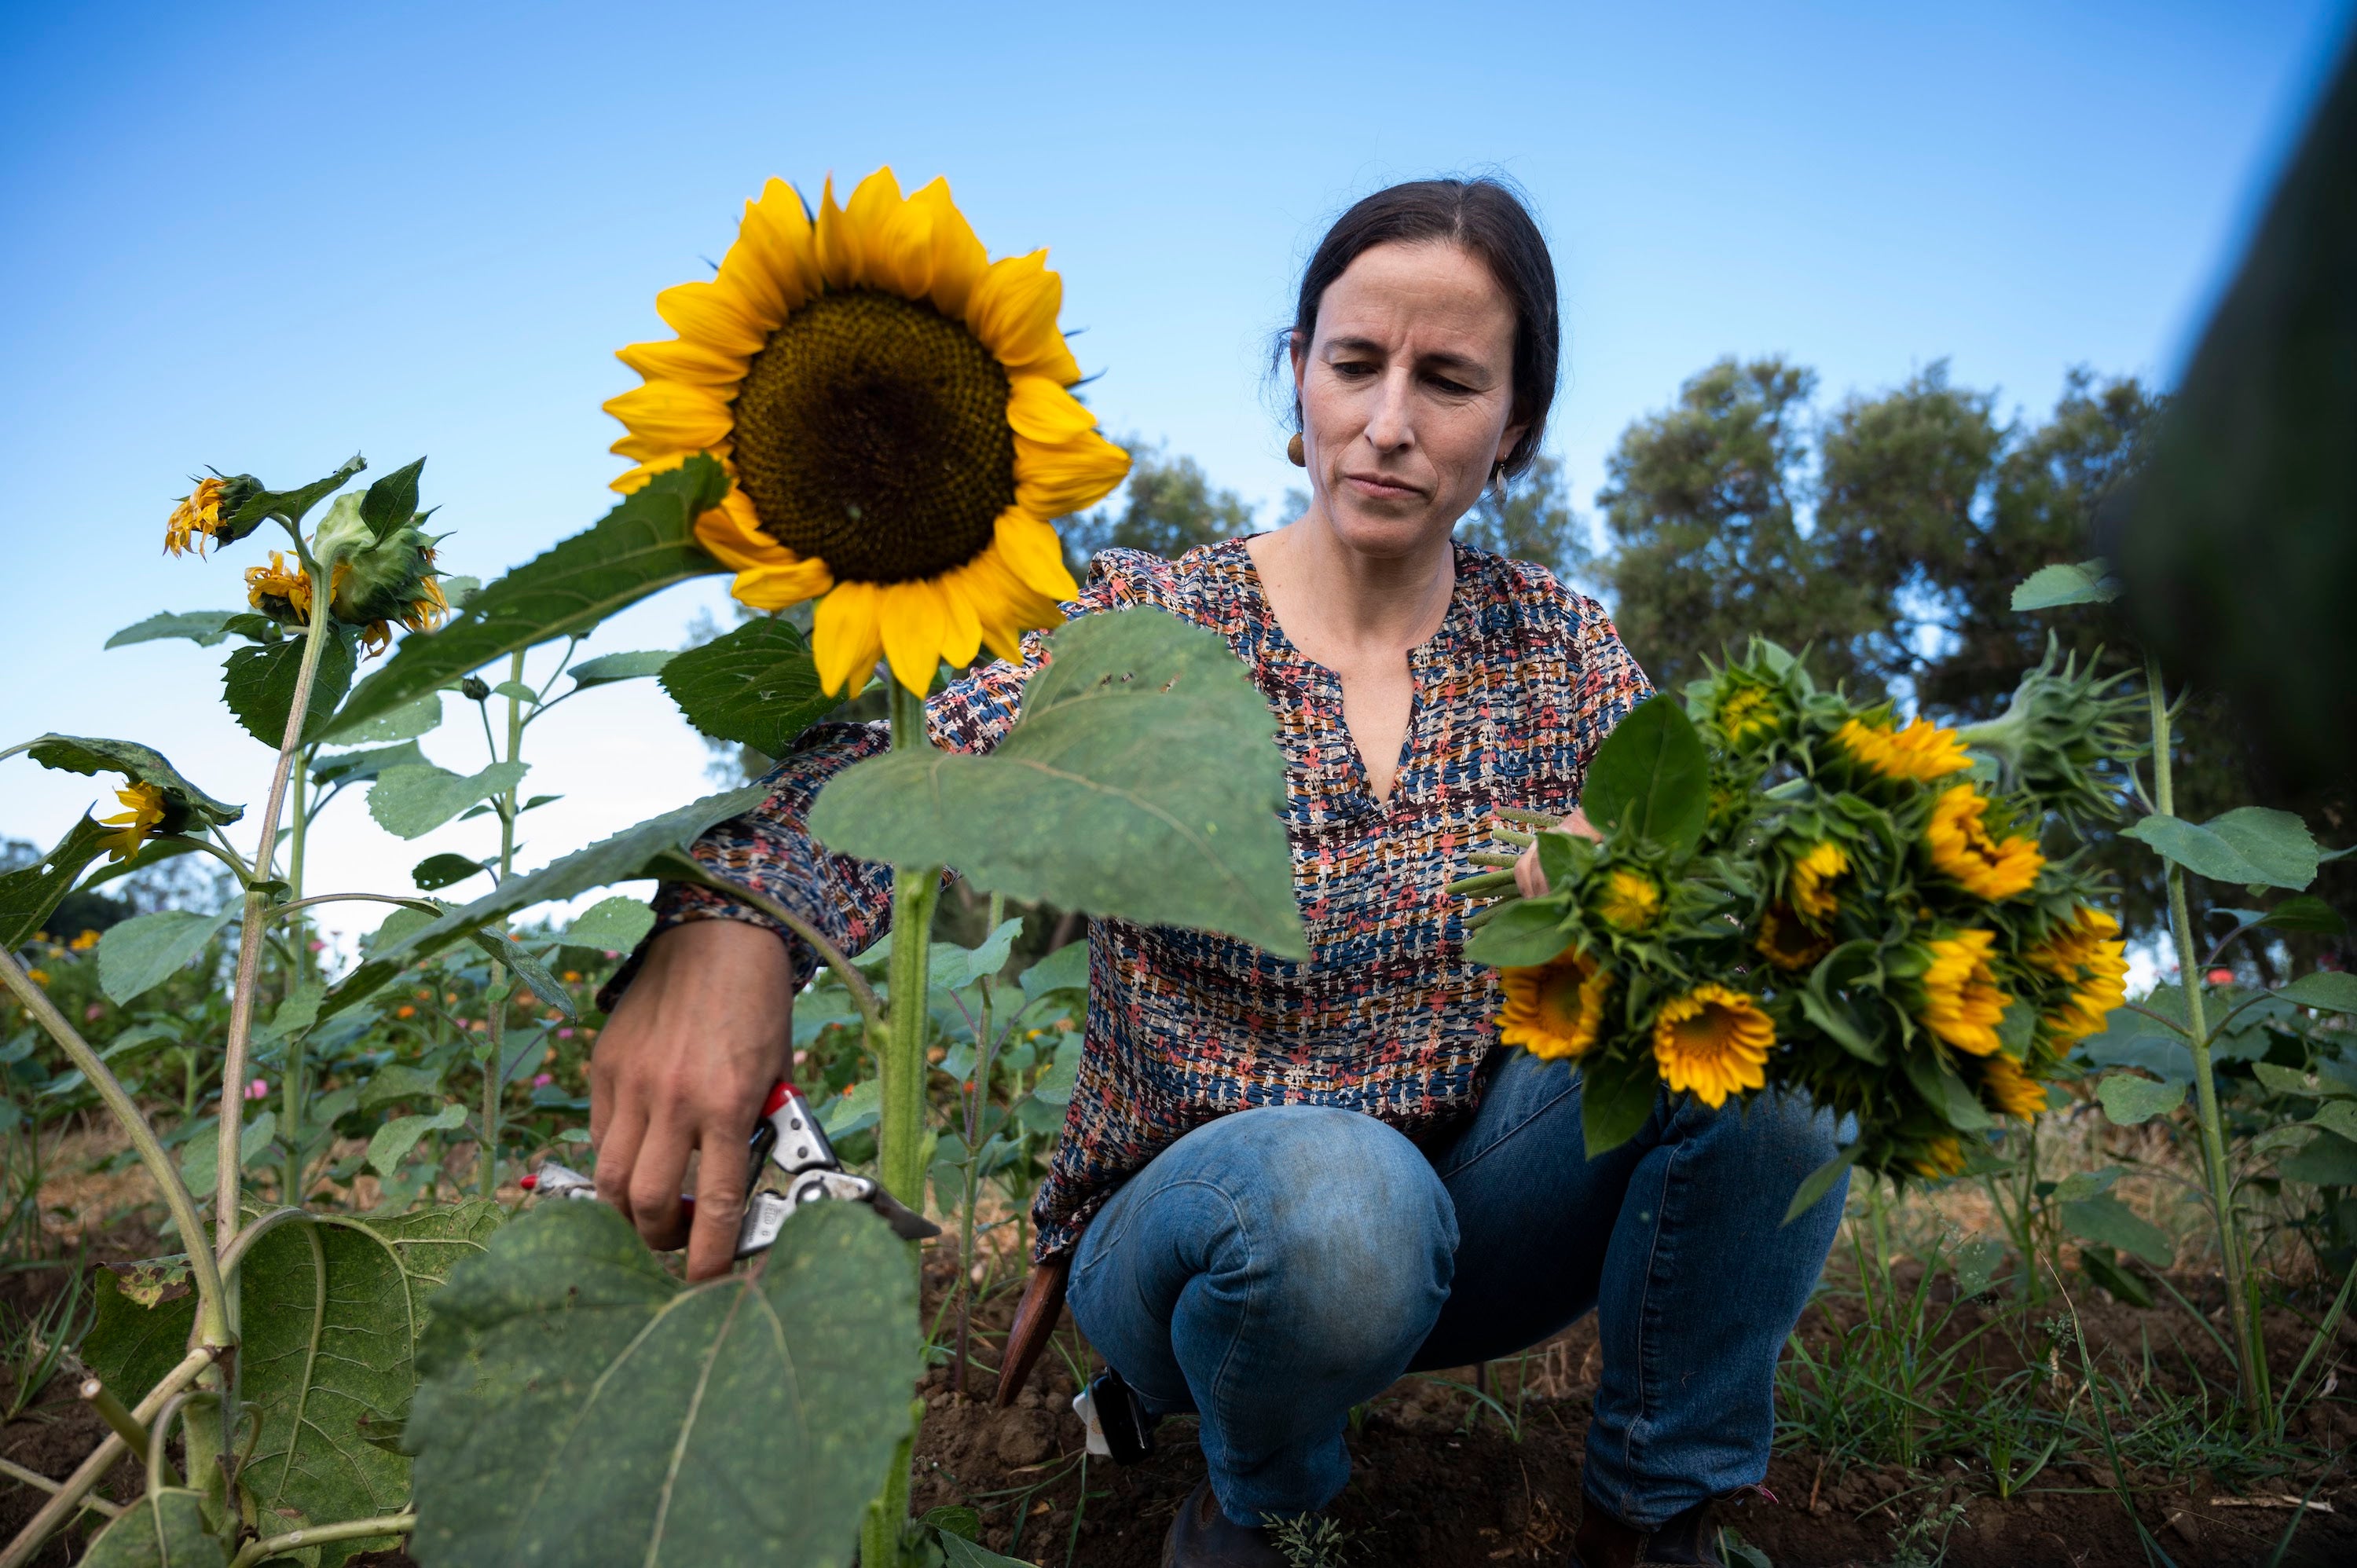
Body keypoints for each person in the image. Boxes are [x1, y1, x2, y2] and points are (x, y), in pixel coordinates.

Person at [589, 177, 1847, 1568]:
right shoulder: (1150, 622)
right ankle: (1266, 1506)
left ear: (1516, 428)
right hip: (1200, 1245)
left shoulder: (1558, 653)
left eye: (1447, 381)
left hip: (1484, 1218)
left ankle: (1655, 1517)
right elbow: (892, 764)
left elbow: (1704, 889)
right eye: (1355, 364)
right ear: (1296, 375)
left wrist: (1644, 906)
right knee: (1341, 1202)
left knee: (1768, 1050)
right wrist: (730, 922)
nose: (1387, 424)